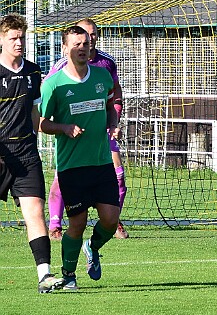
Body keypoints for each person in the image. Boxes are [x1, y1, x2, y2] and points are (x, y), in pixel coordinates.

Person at [39, 25, 122, 291]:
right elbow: (41, 123)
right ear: (65, 49)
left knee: (110, 219)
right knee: (78, 222)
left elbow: (110, 105)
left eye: (86, 43)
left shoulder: (102, 76)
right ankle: (69, 274)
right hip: (72, 165)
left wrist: (113, 123)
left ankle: (92, 246)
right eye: (76, 44)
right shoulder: (54, 84)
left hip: (101, 161)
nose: (83, 48)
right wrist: (64, 128)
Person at [46, 18, 128, 241]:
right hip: (73, 141)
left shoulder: (106, 64)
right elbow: (45, 108)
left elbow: (115, 95)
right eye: (84, 34)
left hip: (101, 133)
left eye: (92, 35)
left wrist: (113, 122)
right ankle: (55, 224)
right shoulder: (60, 69)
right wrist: (64, 126)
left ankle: (114, 221)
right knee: (61, 181)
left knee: (118, 175)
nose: (88, 39)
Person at [0, 15, 62, 293]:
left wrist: (36, 139)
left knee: (35, 212)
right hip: (1, 154)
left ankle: (44, 275)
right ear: (1, 40)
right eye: (13, 38)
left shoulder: (34, 72)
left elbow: (36, 113)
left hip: (26, 155)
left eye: (22, 37)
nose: (19, 42)